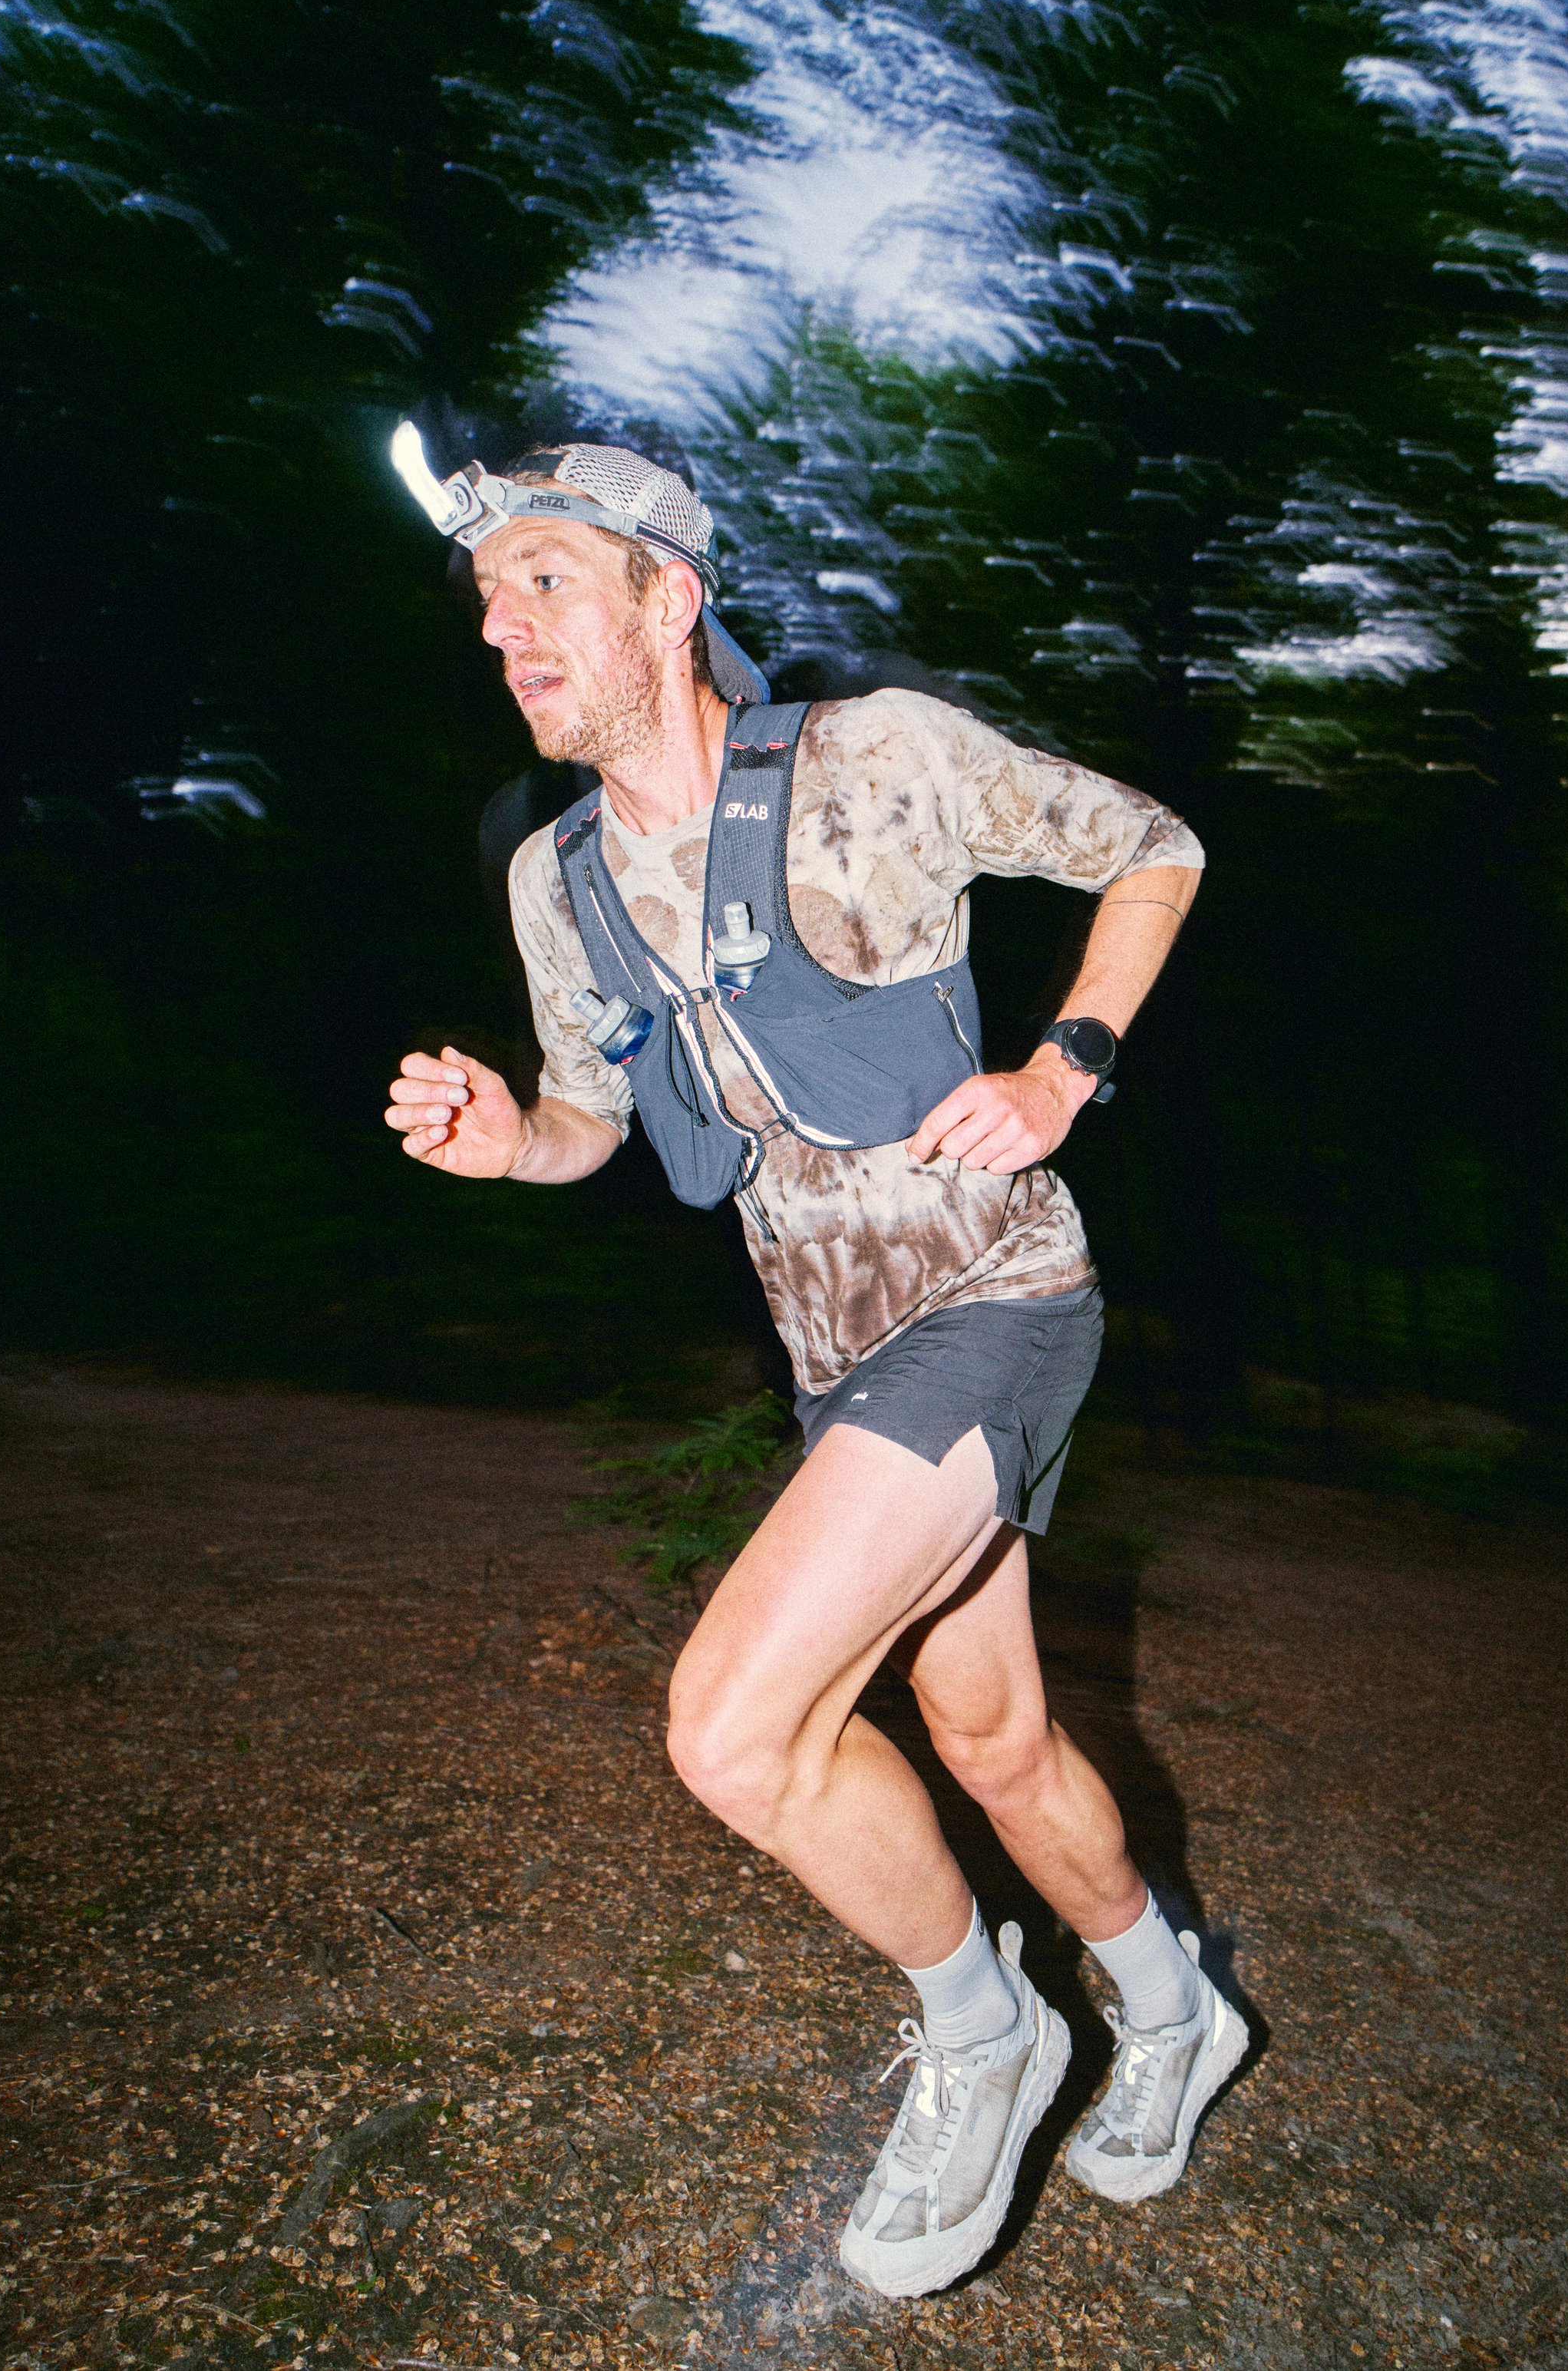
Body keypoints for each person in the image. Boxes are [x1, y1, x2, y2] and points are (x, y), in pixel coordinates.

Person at [381, 432, 1248, 2298]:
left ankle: (984, 2028)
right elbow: (588, 1118)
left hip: (994, 1291)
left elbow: (1152, 848)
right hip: (829, 1349)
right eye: (488, 598)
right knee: (991, 1737)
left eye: (546, 580)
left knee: (731, 1727)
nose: (504, 626)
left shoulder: (872, 759)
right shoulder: (556, 880)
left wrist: (1063, 1067)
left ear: (667, 599)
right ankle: (1177, 2006)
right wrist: (507, 1138)